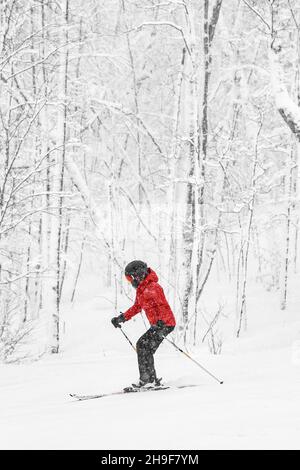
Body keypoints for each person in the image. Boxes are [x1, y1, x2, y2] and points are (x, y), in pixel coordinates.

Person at [111, 260, 176, 388]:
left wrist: (161, 322)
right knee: (144, 347)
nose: (130, 282)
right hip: (158, 325)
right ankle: (149, 379)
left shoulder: (153, 287)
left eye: (130, 278)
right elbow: (137, 307)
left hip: (165, 323)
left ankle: (148, 380)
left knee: (143, 345)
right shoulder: (142, 289)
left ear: (138, 275)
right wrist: (121, 318)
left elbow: (162, 306)